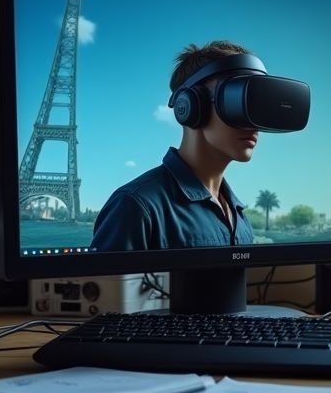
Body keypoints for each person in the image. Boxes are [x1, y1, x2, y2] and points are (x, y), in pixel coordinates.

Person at [91, 41, 262, 251]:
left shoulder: (239, 216)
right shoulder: (136, 207)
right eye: (236, 101)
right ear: (190, 106)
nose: (252, 122)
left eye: (255, 106)